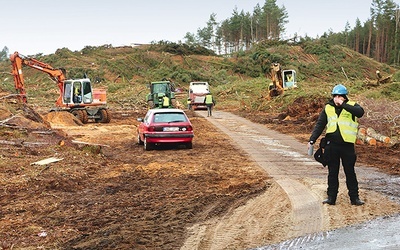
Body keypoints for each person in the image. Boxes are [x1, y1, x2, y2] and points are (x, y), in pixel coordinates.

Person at [308, 84, 365, 206]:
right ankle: (331, 197)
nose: (337, 98)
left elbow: (360, 113)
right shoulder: (328, 108)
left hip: (347, 146)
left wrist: (343, 105)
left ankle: (354, 198)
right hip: (332, 145)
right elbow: (320, 125)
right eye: (335, 96)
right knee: (332, 172)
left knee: (350, 172)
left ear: (345, 97)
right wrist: (312, 140)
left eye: (340, 96)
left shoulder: (352, 106)